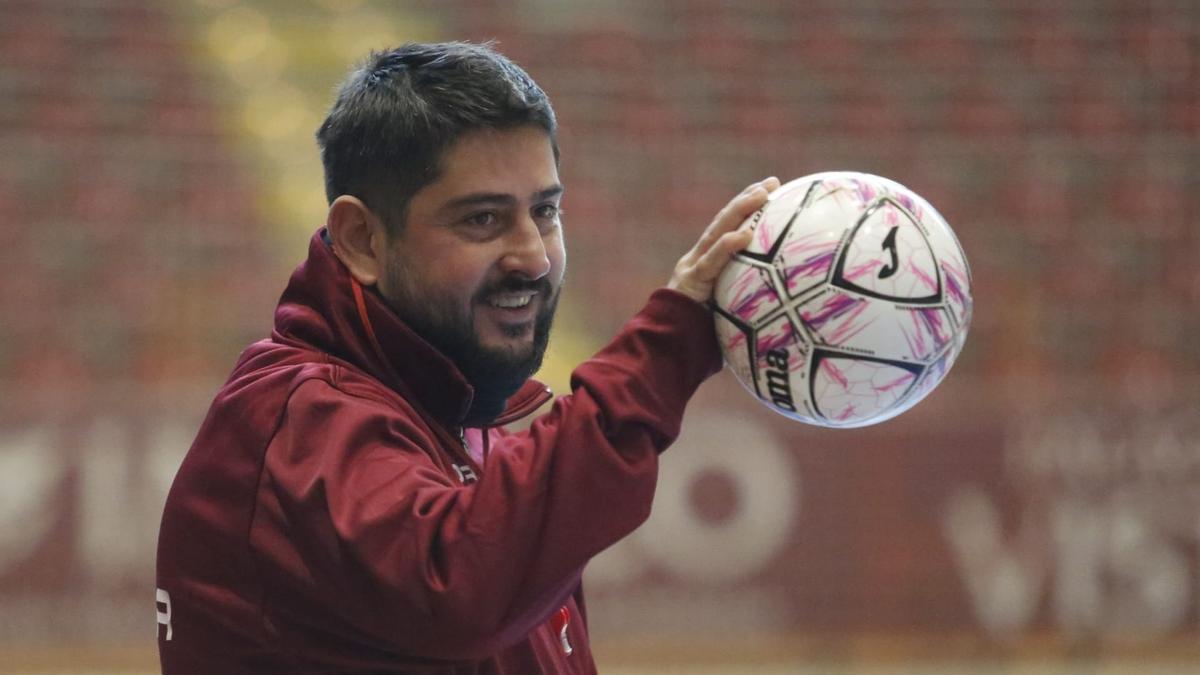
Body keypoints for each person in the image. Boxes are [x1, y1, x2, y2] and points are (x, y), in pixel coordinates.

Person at [156, 41, 778, 674]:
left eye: (546, 211)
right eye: (483, 219)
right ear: (362, 240)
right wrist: (666, 346)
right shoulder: (292, 420)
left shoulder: (456, 422)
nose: (533, 256)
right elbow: (458, 587)